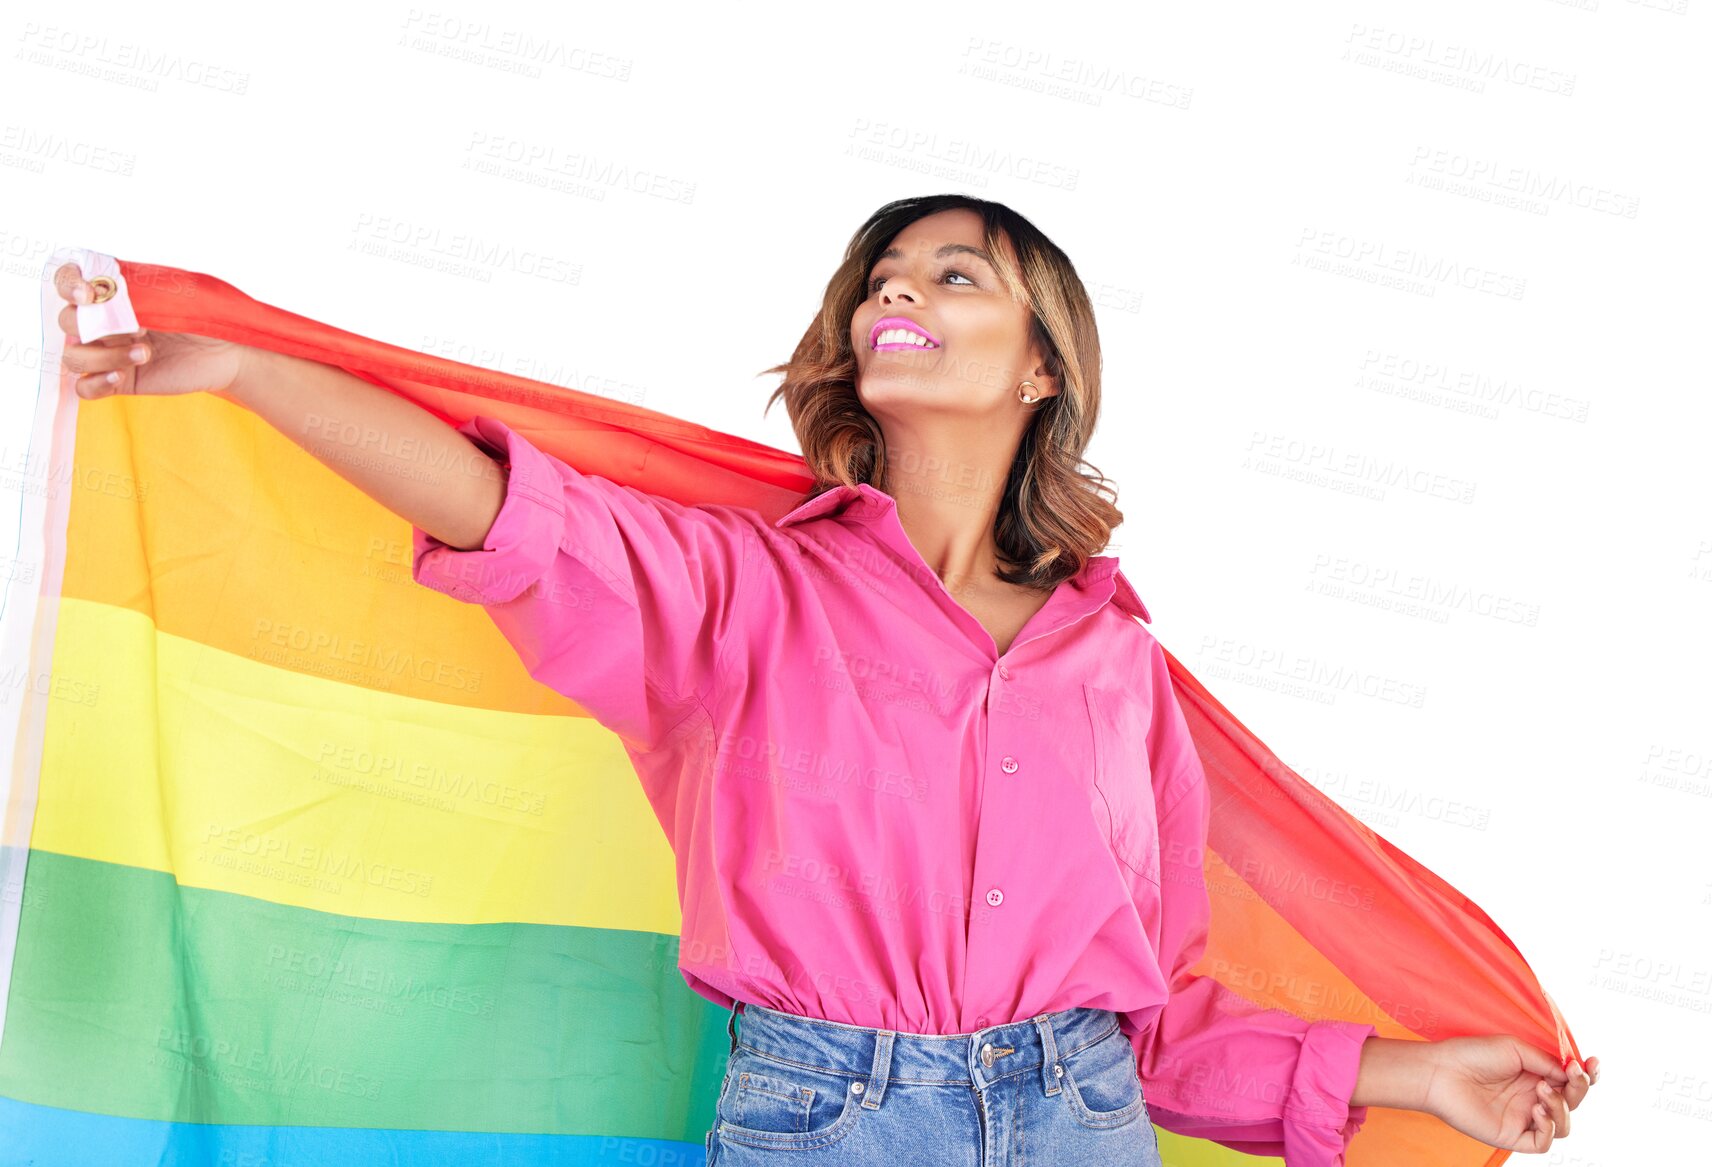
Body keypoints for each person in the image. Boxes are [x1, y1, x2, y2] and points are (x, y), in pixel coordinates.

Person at [53, 195, 1596, 1165]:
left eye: (956, 274)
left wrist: (1421, 1076)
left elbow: (1154, 1015)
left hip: (1080, 1123)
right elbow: (497, 505)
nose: (896, 292)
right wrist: (248, 370)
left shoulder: (1116, 667)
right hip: (827, 1123)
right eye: (880, 278)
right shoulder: (744, 593)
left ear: (1042, 366)